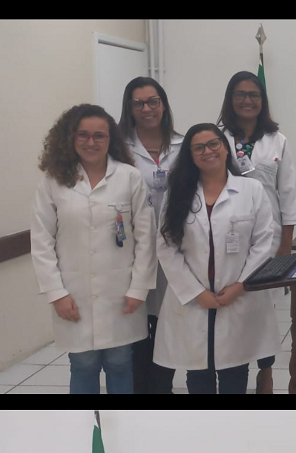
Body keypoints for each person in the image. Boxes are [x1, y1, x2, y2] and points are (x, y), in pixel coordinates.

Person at [31, 104, 156, 394]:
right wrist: (56, 293)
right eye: (83, 135)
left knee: (121, 362)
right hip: (73, 293)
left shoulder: (129, 177)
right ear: (70, 138)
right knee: (83, 364)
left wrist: (139, 289)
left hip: (122, 292)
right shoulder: (53, 182)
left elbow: (146, 238)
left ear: (110, 139)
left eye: (99, 136)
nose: (91, 142)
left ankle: (120, 427)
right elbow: (41, 241)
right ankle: (85, 429)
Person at [154, 124, 279, 394]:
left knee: (235, 371)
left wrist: (241, 285)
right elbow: (166, 247)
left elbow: (263, 242)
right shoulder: (178, 193)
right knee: (198, 374)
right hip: (194, 299)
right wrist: (196, 292)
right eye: (198, 147)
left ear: (225, 147)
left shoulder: (251, 189)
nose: (208, 151)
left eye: (214, 144)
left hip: (237, 296)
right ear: (190, 155)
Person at [218, 71, 296, 394]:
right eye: (240, 94)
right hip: (229, 237)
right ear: (231, 99)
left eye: (254, 95)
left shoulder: (277, 140)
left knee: (263, 313)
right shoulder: (219, 137)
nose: (247, 100)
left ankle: (265, 372)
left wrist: (286, 247)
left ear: (262, 101)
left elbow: (289, 194)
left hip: (268, 240)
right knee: (235, 308)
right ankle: (234, 367)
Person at [118, 77, 184, 394]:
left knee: (166, 325)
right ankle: (139, 391)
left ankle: (161, 390)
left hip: (174, 250)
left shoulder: (183, 146)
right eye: (138, 103)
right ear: (129, 108)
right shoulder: (118, 149)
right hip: (131, 252)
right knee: (134, 328)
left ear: (163, 104)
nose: (147, 108)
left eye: (153, 101)